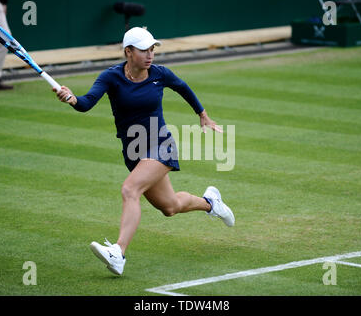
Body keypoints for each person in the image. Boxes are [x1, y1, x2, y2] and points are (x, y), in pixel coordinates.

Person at [54, 27, 235, 276]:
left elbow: (183, 87)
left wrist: (202, 114)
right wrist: (72, 98)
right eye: (143, 50)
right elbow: (87, 103)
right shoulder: (111, 77)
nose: (150, 55)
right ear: (128, 52)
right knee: (169, 207)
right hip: (134, 151)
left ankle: (118, 252)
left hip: (161, 144)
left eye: (152, 49)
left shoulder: (160, 74)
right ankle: (210, 202)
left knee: (130, 189)